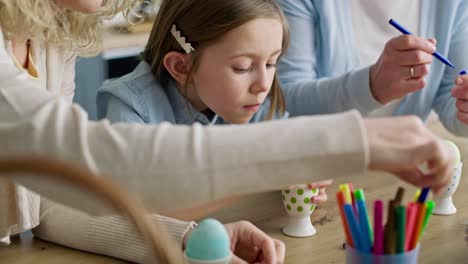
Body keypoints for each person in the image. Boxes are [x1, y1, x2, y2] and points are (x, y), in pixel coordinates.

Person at [0, 0, 453, 263]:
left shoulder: (51, 38)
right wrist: (348, 143)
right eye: (242, 67)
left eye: (272, 63)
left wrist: (187, 239)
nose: (263, 82)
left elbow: (56, 197)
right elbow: (96, 165)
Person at [277, 0, 468, 137]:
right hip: (321, 174)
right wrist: (371, 87)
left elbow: (450, 99)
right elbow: (286, 103)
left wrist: (464, 110)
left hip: (403, 169)